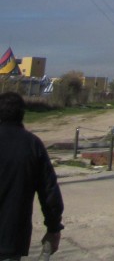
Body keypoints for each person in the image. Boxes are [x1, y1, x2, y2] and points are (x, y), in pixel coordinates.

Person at [0, 91, 64, 260]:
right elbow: (49, 191)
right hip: (11, 238)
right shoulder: (32, 145)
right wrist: (54, 227)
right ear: (22, 114)